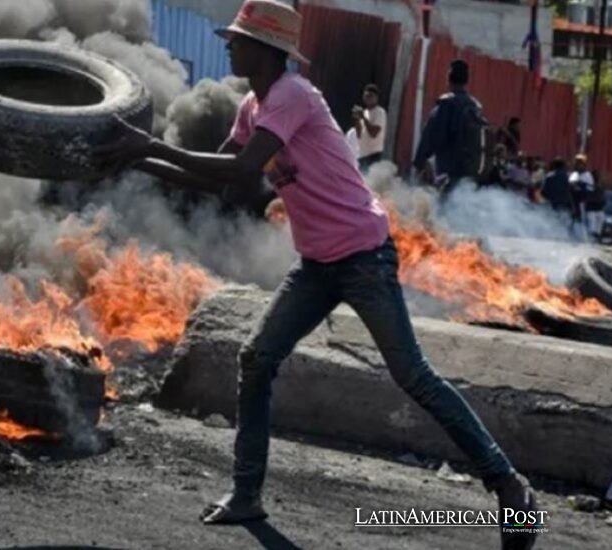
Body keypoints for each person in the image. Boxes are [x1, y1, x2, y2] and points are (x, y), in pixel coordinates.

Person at [95, 3, 538, 548]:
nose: (229, 46)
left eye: (238, 40)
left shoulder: (293, 97)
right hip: (317, 265)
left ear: (266, 49)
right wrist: (138, 161)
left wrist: (149, 146)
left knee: (413, 377)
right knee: (256, 359)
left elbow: (237, 169)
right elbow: (223, 183)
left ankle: (510, 487)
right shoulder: (253, 107)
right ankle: (246, 493)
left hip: (364, 257)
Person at [412, 59, 489, 199]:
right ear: (467, 80)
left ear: (448, 78)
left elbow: (431, 136)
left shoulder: (447, 105)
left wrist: (419, 162)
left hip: (447, 176)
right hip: (470, 179)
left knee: (442, 215)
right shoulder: (475, 106)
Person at [344, 83, 387, 172]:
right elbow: (359, 134)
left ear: (376, 98)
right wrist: (356, 120)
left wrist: (363, 118)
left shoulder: (380, 112)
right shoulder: (365, 112)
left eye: (371, 96)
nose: (368, 99)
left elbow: (374, 133)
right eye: (366, 96)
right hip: (361, 155)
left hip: (373, 155)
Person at [569, 154, 596, 239]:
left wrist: (580, 187)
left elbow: (590, 190)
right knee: (573, 219)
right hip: (573, 201)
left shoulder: (587, 176)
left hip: (582, 202)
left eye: (579, 163)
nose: (577, 165)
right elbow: (570, 185)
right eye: (576, 163)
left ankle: (584, 238)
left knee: (582, 220)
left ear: (584, 165)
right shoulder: (574, 174)